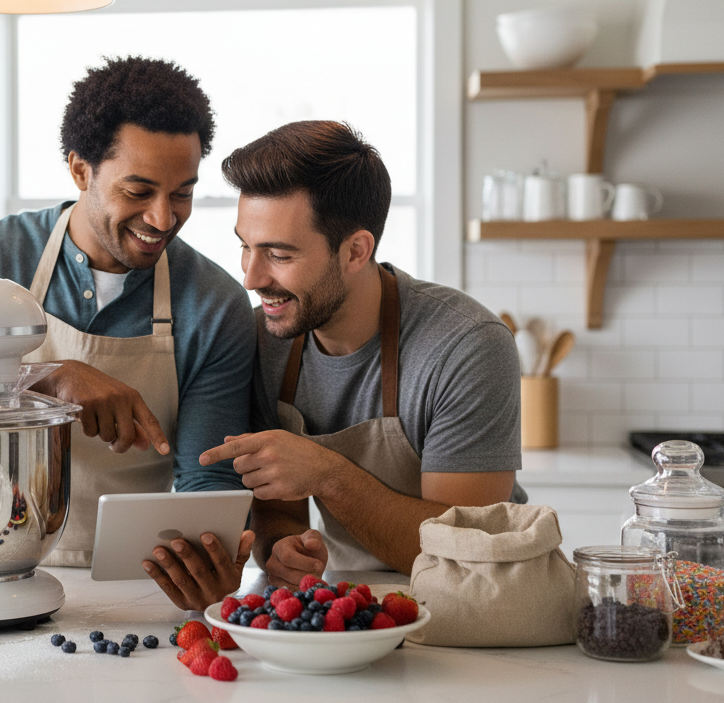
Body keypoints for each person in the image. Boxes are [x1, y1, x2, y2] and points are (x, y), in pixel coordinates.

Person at [145, 120, 522, 611]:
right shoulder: (264, 340)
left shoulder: (466, 347)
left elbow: (464, 555)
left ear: (356, 251)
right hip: (356, 604)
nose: (252, 277)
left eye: (279, 254)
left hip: (477, 609)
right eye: (246, 246)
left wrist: (328, 475)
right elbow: (277, 509)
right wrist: (280, 548)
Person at [0, 55, 256, 568]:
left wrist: (207, 562)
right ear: (80, 170)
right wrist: (50, 378)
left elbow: (205, 480)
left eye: (183, 193)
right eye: (138, 191)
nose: (163, 218)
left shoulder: (214, 304)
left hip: (138, 578)